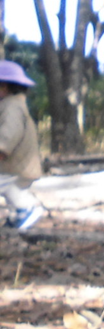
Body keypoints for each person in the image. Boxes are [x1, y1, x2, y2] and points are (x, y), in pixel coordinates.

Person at [0, 60, 45, 232]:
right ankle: (21, 211)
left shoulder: (12, 107)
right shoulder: (11, 105)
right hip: (16, 165)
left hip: (15, 164)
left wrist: (2, 149)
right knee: (12, 189)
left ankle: (28, 209)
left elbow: (8, 134)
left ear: (4, 87)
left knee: (8, 184)